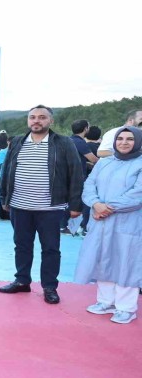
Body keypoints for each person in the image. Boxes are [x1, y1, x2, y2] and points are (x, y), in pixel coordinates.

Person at [0, 105, 84, 304]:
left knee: (51, 248)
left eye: (42, 117)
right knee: (21, 246)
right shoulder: (17, 141)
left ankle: (49, 286)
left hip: (50, 208)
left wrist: (75, 205)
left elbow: (76, 174)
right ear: (28, 120)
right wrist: (5, 198)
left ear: (50, 121)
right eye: (32, 117)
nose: (36, 120)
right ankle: (22, 281)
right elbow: (7, 170)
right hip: (19, 206)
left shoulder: (64, 143)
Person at [75, 126, 142, 324]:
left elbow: (137, 194)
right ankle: (105, 301)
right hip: (100, 221)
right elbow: (89, 185)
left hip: (128, 222)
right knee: (103, 259)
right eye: (120, 138)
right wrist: (96, 204)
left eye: (129, 139)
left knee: (126, 262)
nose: (124, 142)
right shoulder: (104, 162)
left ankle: (126, 308)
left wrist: (107, 208)